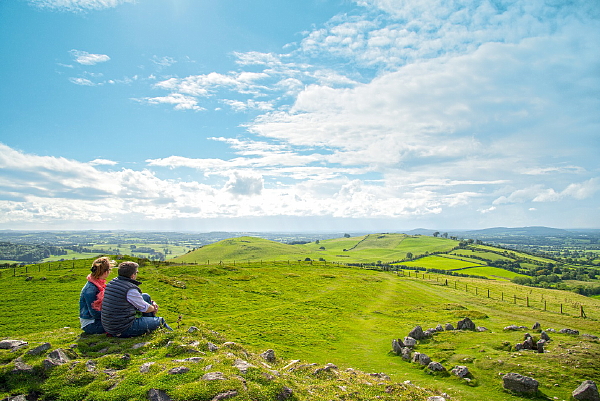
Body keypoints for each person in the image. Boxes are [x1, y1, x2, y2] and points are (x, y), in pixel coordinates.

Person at [101, 261, 172, 337]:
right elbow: (145, 308)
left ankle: (151, 324)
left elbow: (137, 300)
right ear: (132, 275)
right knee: (160, 321)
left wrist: (152, 302)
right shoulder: (130, 290)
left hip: (111, 325)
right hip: (123, 328)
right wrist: (154, 308)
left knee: (145, 296)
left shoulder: (113, 282)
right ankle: (172, 335)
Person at [79, 257, 115, 334]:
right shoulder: (91, 289)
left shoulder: (98, 284)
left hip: (96, 320)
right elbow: (94, 313)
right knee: (123, 323)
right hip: (91, 323)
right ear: (106, 272)